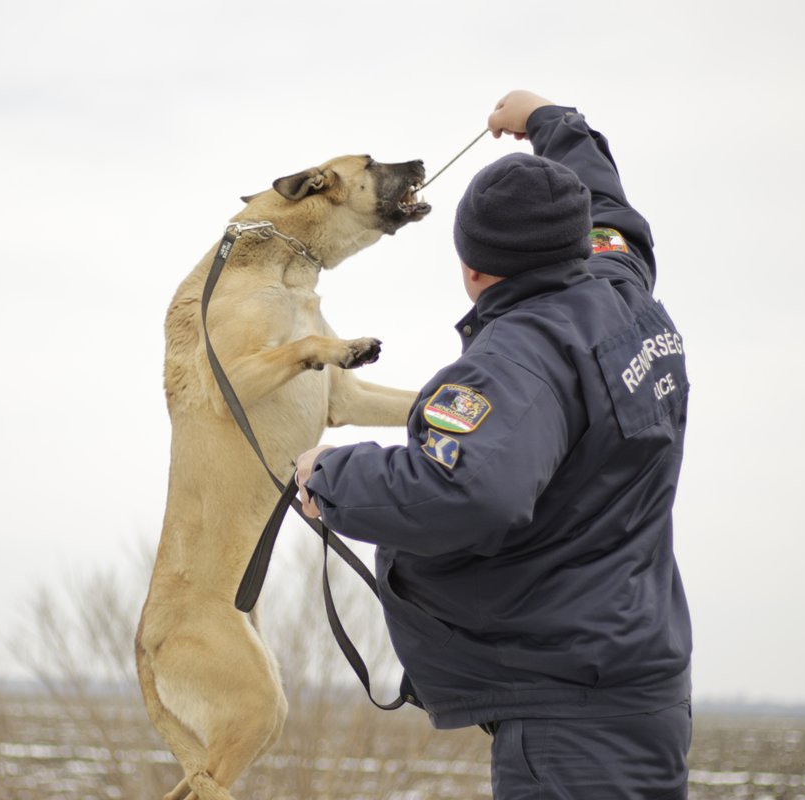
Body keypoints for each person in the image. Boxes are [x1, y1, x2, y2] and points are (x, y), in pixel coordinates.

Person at [294, 90, 693, 799]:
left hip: (569, 727)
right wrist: (550, 122)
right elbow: (614, 214)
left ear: (474, 270)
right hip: (631, 687)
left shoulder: (518, 359)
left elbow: (469, 489)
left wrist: (331, 476)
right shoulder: (618, 286)